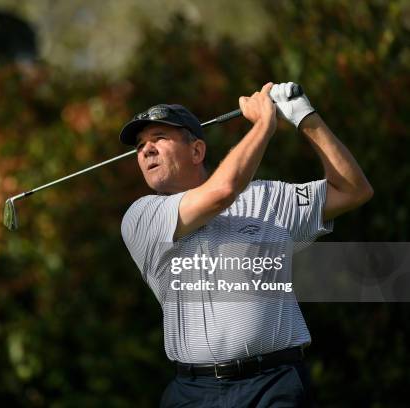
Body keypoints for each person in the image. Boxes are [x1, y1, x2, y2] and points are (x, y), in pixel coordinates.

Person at [118, 82, 373, 407]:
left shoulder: (266, 198)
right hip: (192, 393)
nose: (146, 150)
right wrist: (265, 124)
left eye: (159, 139)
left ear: (197, 151)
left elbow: (353, 190)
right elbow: (222, 192)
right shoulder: (141, 217)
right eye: (140, 145)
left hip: (273, 385)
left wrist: (304, 117)